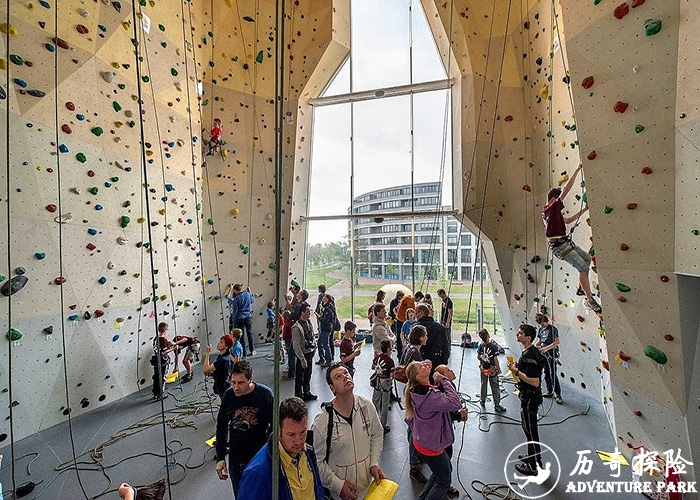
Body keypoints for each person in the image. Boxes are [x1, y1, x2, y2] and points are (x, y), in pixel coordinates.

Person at [312, 362, 386, 500]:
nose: (345, 377)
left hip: (368, 489)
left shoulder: (366, 406)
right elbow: (317, 461)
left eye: (346, 373)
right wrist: (338, 485)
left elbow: (376, 434)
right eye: (338, 377)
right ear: (332, 388)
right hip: (341, 495)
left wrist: (374, 462)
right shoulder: (323, 422)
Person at [542, 163, 602, 314]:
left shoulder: (549, 212)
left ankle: (581, 289)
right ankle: (590, 301)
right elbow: (567, 189)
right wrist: (577, 169)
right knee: (583, 268)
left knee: (587, 260)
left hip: (564, 243)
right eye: (559, 200)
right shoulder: (552, 208)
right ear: (555, 199)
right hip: (560, 247)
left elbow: (567, 221)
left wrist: (584, 210)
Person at [238, 397, 325, 500]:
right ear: (278, 430)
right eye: (291, 435)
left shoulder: (308, 451)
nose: (298, 441)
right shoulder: (257, 473)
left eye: (302, 432)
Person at [404, 360, 463, 500]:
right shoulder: (429, 396)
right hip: (431, 447)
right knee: (444, 481)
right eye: (421, 367)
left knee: (441, 472)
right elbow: (455, 403)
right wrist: (444, 380)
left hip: (423, 442)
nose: (425, 365)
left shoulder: (415, 391)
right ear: (418, 377)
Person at [215, 360, 274, 496]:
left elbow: (275, 427)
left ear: (250, 379)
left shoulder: (265, 395)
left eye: (240, 383)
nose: (236, 387)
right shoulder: (229, 396)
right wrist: (220, 457)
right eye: (233, 382)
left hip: (259, 459)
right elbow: (221, 426)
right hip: (236, 461)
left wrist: (270, 454)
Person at [507, 324, 545, 476]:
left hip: (530, 398)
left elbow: (534, 381)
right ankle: (532, 458)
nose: (517, 334)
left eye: (520, 333)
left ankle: (534, 466)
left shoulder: (529, 355)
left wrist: (516, 371)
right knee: (529, 430)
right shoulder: (531, 351)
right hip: (529, 397)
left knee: (530, 431)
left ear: (528, 338)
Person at [400, 325, 428, 484]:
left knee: (412, 426)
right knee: (414, 429)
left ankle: (416, 457)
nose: (427, 337)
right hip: (415, 394)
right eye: (425, 335)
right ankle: (414, 465)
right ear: (420, 337)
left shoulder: (409, 349)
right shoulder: (416, 354)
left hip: (410, 392)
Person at [292, 303, 318, 401]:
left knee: (308, 375)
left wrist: (314, 348)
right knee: (300, 377)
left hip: (309, 353)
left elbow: (312, 334)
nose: (309, 314)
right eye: (307, 312)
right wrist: (302, 359)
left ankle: (306, 392)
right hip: (302, 355)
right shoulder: (296, 327)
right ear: (302, 312)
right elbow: (296, 345)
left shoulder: (308, 322)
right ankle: (298, 396)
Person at [534, 314, 562, 404]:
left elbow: (557, 342)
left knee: (552, 373)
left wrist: (546, 348)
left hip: (551, 354)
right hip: (543, 354)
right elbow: (540, 341)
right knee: (546, 372)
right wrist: (534, 346)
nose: (542, 326)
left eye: (543, 324)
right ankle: (549, 391)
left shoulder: (553, 329)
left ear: (546, 321)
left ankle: (558, 394)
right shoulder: (541, 329)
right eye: (540, 325)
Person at [477, 329, 505, 412]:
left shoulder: (481, 345)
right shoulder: (493, 347)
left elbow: (478, 356)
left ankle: (482, 400)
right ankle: (497, 404)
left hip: (483, 367)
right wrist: (498, 369)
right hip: (491, 368)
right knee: (495, 385)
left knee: (483, 383)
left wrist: (483, 360)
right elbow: (495, 359)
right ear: (488, 335)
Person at [415, 304, 450, 368]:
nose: (415, 315)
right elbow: (446, 347)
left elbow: (412, 347)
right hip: (437, 361)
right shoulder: (440, 327)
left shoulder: (415, 328)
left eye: (416, 313)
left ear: (421, 313)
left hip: (420, 363)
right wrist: (443, 363)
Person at [371, 339, 395, 433]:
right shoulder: (390, 361)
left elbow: (373, 367)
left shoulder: (377, 356)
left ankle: (373, 423)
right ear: (389, 349)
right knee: (384, 404)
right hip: (385, 381)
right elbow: (391, 375)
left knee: (375, 402)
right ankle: (383, 425)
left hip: (377, 380)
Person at [203, 334, 234, 398]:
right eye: (219, 341)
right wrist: (212, 373)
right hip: (223, 385)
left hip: (223, 387)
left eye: (221, 342)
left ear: (226, 347)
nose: (218, 343)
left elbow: (205, 369)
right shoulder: (224, 356)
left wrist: (207, 353)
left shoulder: (223, 359)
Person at [229, 283, 256, 356]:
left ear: (235, 290)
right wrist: (250, 292)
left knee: (241, 336)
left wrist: (234, 321)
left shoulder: (237, 298)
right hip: (248, 316)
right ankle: (252, 350)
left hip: (240, 317)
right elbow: (252, 301)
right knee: (249, 333)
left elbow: (235, 310)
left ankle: (244, 353)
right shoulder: (248, 294)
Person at [151, 322, 175, 401]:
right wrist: (173, 349)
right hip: (162, 360)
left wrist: (168, 344)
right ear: (165, 330)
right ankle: (160, 394)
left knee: (156, 377)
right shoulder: (163, 339)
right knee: (162, 377)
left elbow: (159, 349)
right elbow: (163, 352)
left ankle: (155, 393)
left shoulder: (156, 338)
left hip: (156, 360)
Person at [318, 293, 338, 367]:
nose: (323, 298)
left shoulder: (327, 308)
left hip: (325, 328)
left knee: (325, 345)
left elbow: (325, 320)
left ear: (327, 299)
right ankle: (323, 359)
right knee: (321, 343)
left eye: (324, 297)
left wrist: (319, 317)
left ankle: (328, 360)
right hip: (329, 328)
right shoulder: (329, 307)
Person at [281, 309, 295, 381]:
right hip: (290, 339)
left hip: (288, 340)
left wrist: (283, 338)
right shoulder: (291, 323)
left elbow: (285, 334)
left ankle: (291, 372)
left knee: (290, 355)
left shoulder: (287, 324)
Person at [388, 290, 404, 355]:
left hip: (399, 320)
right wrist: (393, 318)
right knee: (394, 333)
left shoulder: (402, 302)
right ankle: (394, 346)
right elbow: (392, 311)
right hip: (394, 320)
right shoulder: (393, 302)